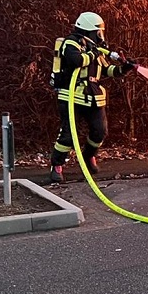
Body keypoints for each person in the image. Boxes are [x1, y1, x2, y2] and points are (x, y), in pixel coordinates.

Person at [48, 12, 135, 183]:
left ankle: (88, 157)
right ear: (90, 30)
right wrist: (94, 53)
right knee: (68, 135)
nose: (100, 36)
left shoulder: (95, 49)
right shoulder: (71, 43)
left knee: (100, 131)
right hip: (71, 96)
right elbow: (77, 61)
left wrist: (124, 68)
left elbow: (107, 70)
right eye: (99, 32)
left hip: (93, 97)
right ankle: (56, 165)